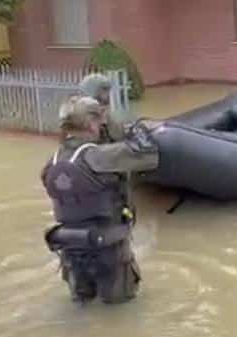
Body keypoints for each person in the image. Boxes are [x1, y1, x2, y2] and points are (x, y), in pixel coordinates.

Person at [41, 96, 159, 304]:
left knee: (81, 306)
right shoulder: (98, 156)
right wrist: (134, 129)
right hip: (109, 249)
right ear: (90, 124)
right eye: (98, 121)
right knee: (120, 312)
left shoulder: (54, 161)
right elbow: (149, 156)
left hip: (71, 250)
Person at [78, 73, 125, 144]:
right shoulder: (80, 116)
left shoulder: (105, 113)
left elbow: (119, 136)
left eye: (107, 91)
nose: (107, 95)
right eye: (104, 90)